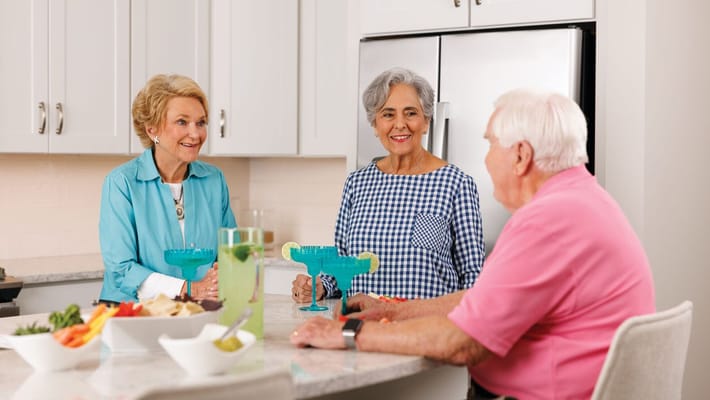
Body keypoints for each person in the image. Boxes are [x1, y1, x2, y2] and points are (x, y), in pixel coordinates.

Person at [290, 89, 655, 399]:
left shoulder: (549, 221)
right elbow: (483, 300)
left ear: (521, 155)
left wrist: (349, 332)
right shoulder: (580, 200)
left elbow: (462, 341)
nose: (486, 158)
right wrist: (396, 312)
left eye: (491, 144)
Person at [291, 67, 485, 303]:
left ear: (426, 121)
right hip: (362, 328)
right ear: (375, 125)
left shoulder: (456, 184)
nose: (400, 124)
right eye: (388, 114)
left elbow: (472, 278)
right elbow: (342, 265)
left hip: (423, 331)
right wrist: (320, 285)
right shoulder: (357, 184)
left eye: (411, 113)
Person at [98, 74, 237, 304]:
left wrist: (222, 275)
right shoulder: (122, 183)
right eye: (182, 122)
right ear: (152, 129)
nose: (195, 134)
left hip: (198, 311)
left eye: (201, 122)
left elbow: (231, 253)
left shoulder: (214, 180)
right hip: (133, 315)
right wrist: (189, 288)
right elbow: (122, 269)